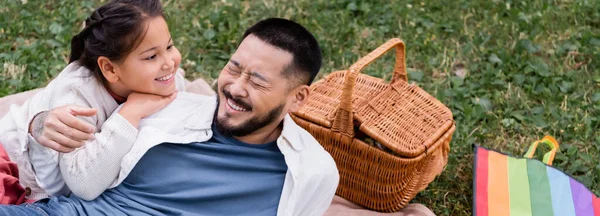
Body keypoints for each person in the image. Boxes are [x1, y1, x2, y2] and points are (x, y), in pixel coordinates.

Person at [0, 18, 340, 215]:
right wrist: (39, 123)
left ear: (298, 98)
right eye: (233, 68)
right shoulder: (168, 107)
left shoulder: (311, 172)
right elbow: (77, 167)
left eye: (258, 82)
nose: (235, 88)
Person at [0, 0, 183, 200]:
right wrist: (131, 112)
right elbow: (84, 185)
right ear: (110, 69)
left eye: (169, 46)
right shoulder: (77, 97)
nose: (169, 63)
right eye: (151, 57)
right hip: (11, 169)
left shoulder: (162, 80)